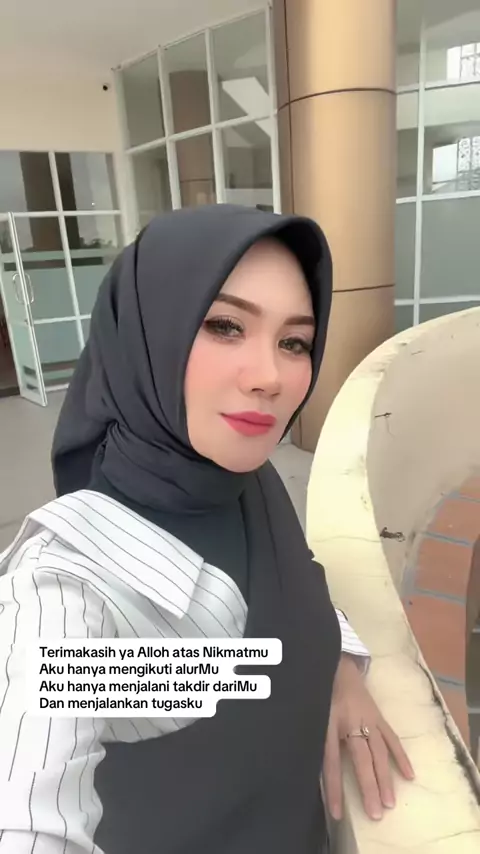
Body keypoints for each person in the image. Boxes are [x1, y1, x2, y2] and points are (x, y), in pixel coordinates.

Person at [0, 206, 413, 854]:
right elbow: (31, 818)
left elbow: (293, 591)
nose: (269, 377)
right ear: (148, 334)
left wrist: (336, 669)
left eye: (294, 342)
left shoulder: (246, 482)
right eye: (225, 326)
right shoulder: (69, 589)